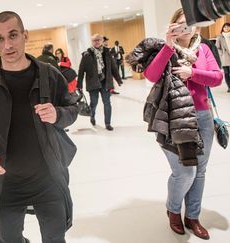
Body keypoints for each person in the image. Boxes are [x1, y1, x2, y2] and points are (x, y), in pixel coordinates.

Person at [0, 11, 78, 243]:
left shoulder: (49, 75)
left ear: (25, 35)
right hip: (5, 184)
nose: (7, 44)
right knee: (10, 239)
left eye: (13, 35)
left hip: (48, 179)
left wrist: (58, 115)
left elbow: (72, 109)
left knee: (56, 238)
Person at [141, 8, 222, 240]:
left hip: (201, 116)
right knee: (185, 171)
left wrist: (192, 72)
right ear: (173, 26)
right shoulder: (164, 49)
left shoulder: (204, 49)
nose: (186, 28)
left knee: (200, 171)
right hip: (172, 119)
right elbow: (151, 75)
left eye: (190, 23)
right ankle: (174, 210)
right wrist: (168, 44)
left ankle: (193, 216)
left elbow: (217, 78)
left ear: (197, 26)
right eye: (181, 24)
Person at [77, 34, 122, 131]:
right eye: (94, 40)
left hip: (105, 82)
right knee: (94, 102)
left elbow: (113, 67)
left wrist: (118, 79)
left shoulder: (107, 52)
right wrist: (79, 85)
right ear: (92, 42)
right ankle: (92, 116)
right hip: (92, 82)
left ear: (102, 41)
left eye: (98, 40)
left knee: (107, 102)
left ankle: (108, 123)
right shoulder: (86, 55)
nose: (96, 42)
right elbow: (81, 71)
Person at [215, 22, 230, 92]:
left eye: (227, 27)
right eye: (225, 27)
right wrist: (222, 54)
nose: (226, 28)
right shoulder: (220, 37)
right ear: (223, 28)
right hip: (225, 57)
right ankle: (229, 87)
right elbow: (217, 47)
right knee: (226, 73)